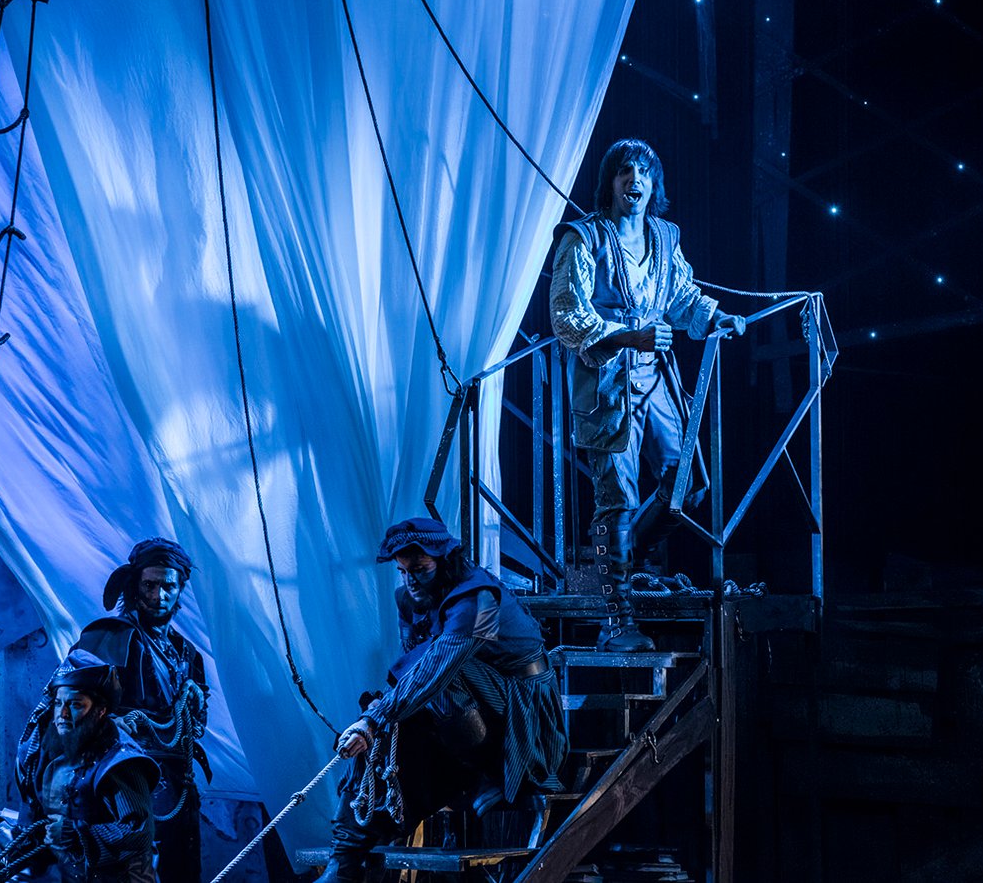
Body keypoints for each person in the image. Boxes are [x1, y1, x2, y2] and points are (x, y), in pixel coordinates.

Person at [549, 138, 745, 652]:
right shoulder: (585, 237)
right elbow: (567, 314)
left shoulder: (662, 236)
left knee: (688, 482)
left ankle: (619, 557)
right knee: (616, 498)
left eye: (643, 171)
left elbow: (681, 296)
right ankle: (616, 622)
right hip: (607, 381)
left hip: (655, 377)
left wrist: (716, 317)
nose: (634, 179)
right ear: (610, 183)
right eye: (624, 171)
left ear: (654, 184)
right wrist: (625, 335)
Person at [316, 517, 568, 883]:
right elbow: (412, 673)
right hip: (465, 708)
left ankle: (486, 772)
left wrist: (377, 717)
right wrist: (374, 720)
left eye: (420, 569)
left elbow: (437, 668)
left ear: (445, 561)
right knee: (393, 717)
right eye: (403, 571)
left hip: (523, 714)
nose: (410, 580)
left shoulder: (480, 599)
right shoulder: (408, 599)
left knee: (430, 683)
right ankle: (346, 855)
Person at [0, 650, 159, 883]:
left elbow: (138, 831)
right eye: (59, 703)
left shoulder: (119, 761)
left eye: (76, 704)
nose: (63, 714)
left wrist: (77, 835)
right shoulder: (41, 744)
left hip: (101, 868)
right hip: (50, 855)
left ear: (100, 711)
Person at [73, 539, 210, 883]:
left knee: (182, 871)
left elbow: (196, 727)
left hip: (178, 783)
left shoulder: (186, 652)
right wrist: (112, 723)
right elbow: (68, 704)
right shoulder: (111, 636)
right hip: (125, 779)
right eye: (150, 585)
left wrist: (196, 699)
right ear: (135, 585)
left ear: (180, 589)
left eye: (168, 586)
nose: (159, 595)